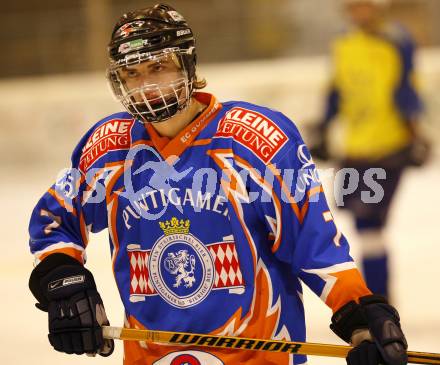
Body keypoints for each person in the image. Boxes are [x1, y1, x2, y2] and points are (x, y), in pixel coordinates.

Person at [28, 4, 408, 365]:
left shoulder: (254, 141)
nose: (145, 86)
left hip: (257, 357)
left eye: (158, 66)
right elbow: (55, 219)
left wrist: (360, 317)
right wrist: (63, 277)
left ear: (188, 64)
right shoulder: (110, 146)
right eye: (132, 74)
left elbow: (314, 244)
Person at [311, 0, 430, 298]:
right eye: (352, 8)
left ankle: (378, 299)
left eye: (363, 6)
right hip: (354, 149)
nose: (357, 13)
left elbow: (406, 89)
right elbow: (337, 90)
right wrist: (324, 127)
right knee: (362, 226)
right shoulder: (344, 43)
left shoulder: (396, 41)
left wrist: (416, 133)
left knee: (370, 224)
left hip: (388, 147)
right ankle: (377, 298)